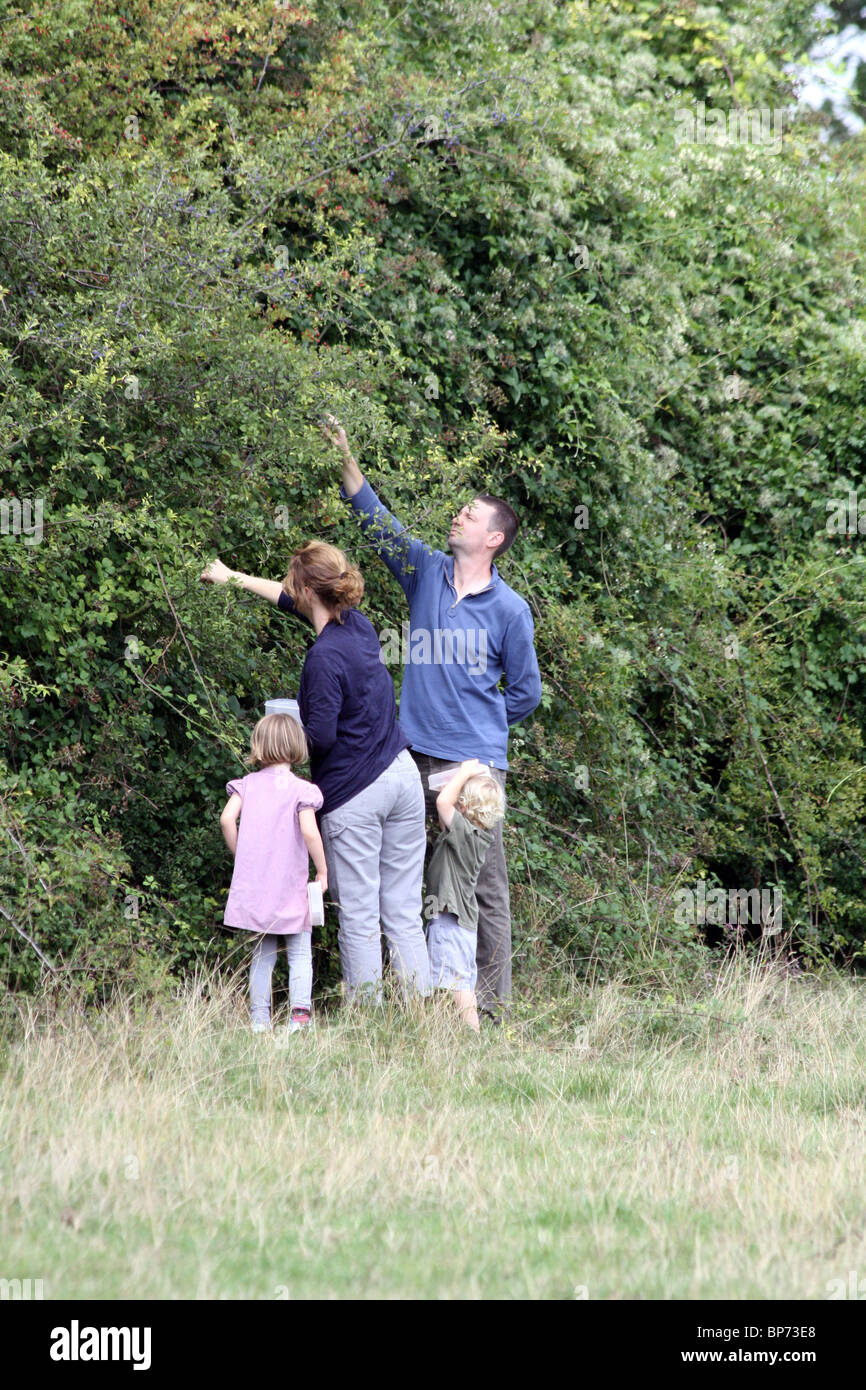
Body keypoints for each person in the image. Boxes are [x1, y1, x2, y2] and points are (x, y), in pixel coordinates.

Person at [322, 419, 542, 1022]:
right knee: (409, 882)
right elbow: (378, 525)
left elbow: (525, 693)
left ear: (494, 538)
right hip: (406, 757)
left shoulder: (511, 611)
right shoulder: (423, 572)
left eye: (471, 515)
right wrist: (347, 464)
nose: (458, 518)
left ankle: (490, 1013)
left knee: (483, 889)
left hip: (474, 769)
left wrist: (483, 730)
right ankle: (417, 1007)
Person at [202, 542, 431, 1003]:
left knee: (361, 914)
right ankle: (421, 1019)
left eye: (294, 585)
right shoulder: (360, 626)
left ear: (309, 589)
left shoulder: (322, 657)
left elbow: (321, 738)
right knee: (404, 911)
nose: (290, 592)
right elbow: (293, 602)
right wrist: (233, 577)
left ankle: (368, 1018)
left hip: (357, 793)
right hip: (403, 777)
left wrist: (281, 740)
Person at [220, 713, 327, 1034]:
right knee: (299, 955)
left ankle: (259, 1022)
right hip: (291, 887)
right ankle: (298, 1020)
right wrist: (322, 870)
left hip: (256, 887)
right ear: (297, 745)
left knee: (262, 956)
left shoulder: (247, 785)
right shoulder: (301, 789)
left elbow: (227, 820)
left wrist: (243, 857)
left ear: (260, 746)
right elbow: (309, 831)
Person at [425, 760, 506, 1031]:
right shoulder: (475, 834)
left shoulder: (465, 832)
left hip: (451, 922)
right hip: (461, 924)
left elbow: (442, 805)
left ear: (464, 807)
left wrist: (464, 773)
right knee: (453, 982)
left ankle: (473, 1035)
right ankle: (442, 1031)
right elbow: (445, 812)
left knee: (458, 987)